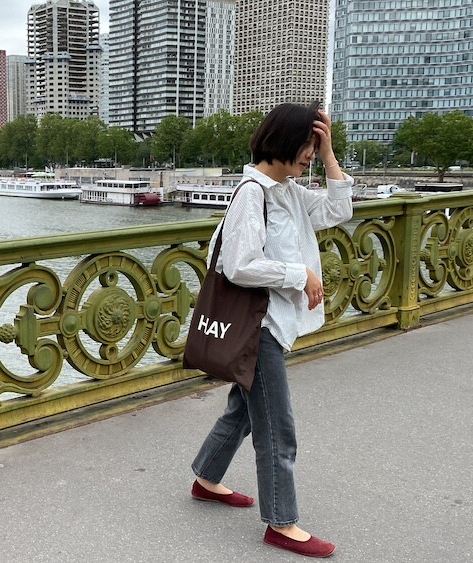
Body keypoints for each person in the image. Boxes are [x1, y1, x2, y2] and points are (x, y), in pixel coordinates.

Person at [189, 101, 353, 558]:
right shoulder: (253, 193)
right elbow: (238, 265)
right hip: (257, 326)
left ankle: (206, 478)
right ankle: (281, 523)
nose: (310, 154)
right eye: (307, 145)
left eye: (314, 147)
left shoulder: (288, 191)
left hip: (272, 323)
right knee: (277, 427)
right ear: (283, 141)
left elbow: (338, 210)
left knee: (244, 410)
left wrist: (330, 156)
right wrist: (300, 275)